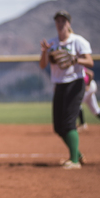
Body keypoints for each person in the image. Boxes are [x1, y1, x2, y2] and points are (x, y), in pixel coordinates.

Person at [39, 10, 93, 170]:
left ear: (69, 23)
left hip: (75, 83)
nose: (60, 23)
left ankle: (74, 161)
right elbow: (43, 65)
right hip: (59, 85)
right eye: (58, 21)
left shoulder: (78, 41)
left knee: (69, 123)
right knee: (58, 126)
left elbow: (90, 62)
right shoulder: (52, 43)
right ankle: (77, 154)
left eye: (63, 20)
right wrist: (44, 52)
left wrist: (75, 58)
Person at [77, 68, 100, 133]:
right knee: (95, 109)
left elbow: (90, 73)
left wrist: (88, 85)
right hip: (89, 88)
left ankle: (82, 124)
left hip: (89, 87)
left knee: (76, 103)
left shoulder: (77, 68)